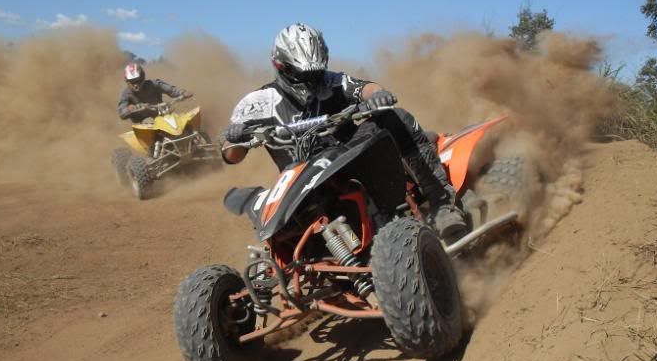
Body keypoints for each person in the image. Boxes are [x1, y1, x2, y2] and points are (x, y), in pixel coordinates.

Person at [220, 22, 466, 240]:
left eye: (315, 74)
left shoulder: (332, 81)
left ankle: (442, 203)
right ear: (280, 66)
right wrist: (236, 137)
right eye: (302, 74)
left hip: (352, 161)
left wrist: (378, 95)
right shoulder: (257, 102)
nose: (311, 81)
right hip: (301, 185)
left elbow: (365, 88)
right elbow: (231, 155)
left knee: (394, 117)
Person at [117, 62, 193, 123]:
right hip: (143, 123)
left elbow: (171, 90)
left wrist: (182, 93)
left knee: (182, 120)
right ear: (127, 81)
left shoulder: (154, 84)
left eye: (137, 80)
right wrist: (129, 109)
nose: (135, 84)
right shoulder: (125, 94)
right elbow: (122, 113)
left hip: (163, 114)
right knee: (149, 121)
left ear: (142, 77)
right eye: (132, 81)